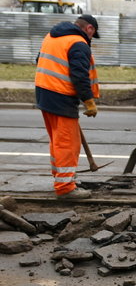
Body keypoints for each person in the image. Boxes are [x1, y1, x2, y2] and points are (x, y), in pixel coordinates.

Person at [34, 14, 101, 200]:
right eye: (92, 35)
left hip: (44, 93)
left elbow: (39, 60)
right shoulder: (78, 43)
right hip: (60, 96)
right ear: (89, 29)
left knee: (57, 139)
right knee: (68, 142)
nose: (90, 40)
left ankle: (61, 177)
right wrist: (88, 101)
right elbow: (79, 75)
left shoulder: (51, 36)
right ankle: (65, 187)